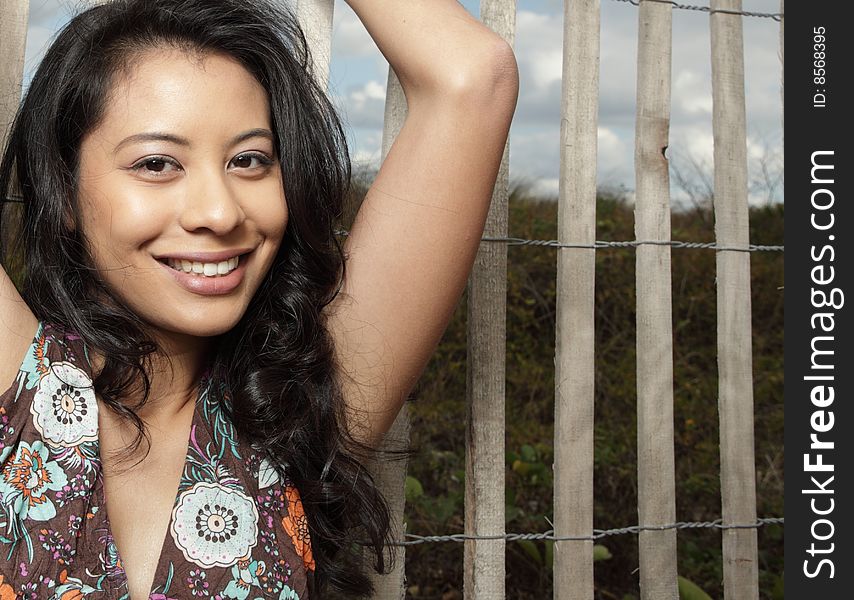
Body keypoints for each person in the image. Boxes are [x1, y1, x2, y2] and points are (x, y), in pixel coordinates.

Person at [0, 0, 518, 597]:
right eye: (158, 163)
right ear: (63, 193)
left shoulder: (300, 407)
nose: (220, 212)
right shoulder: (21, 393)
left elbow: (472, 78)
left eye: (248, 160)